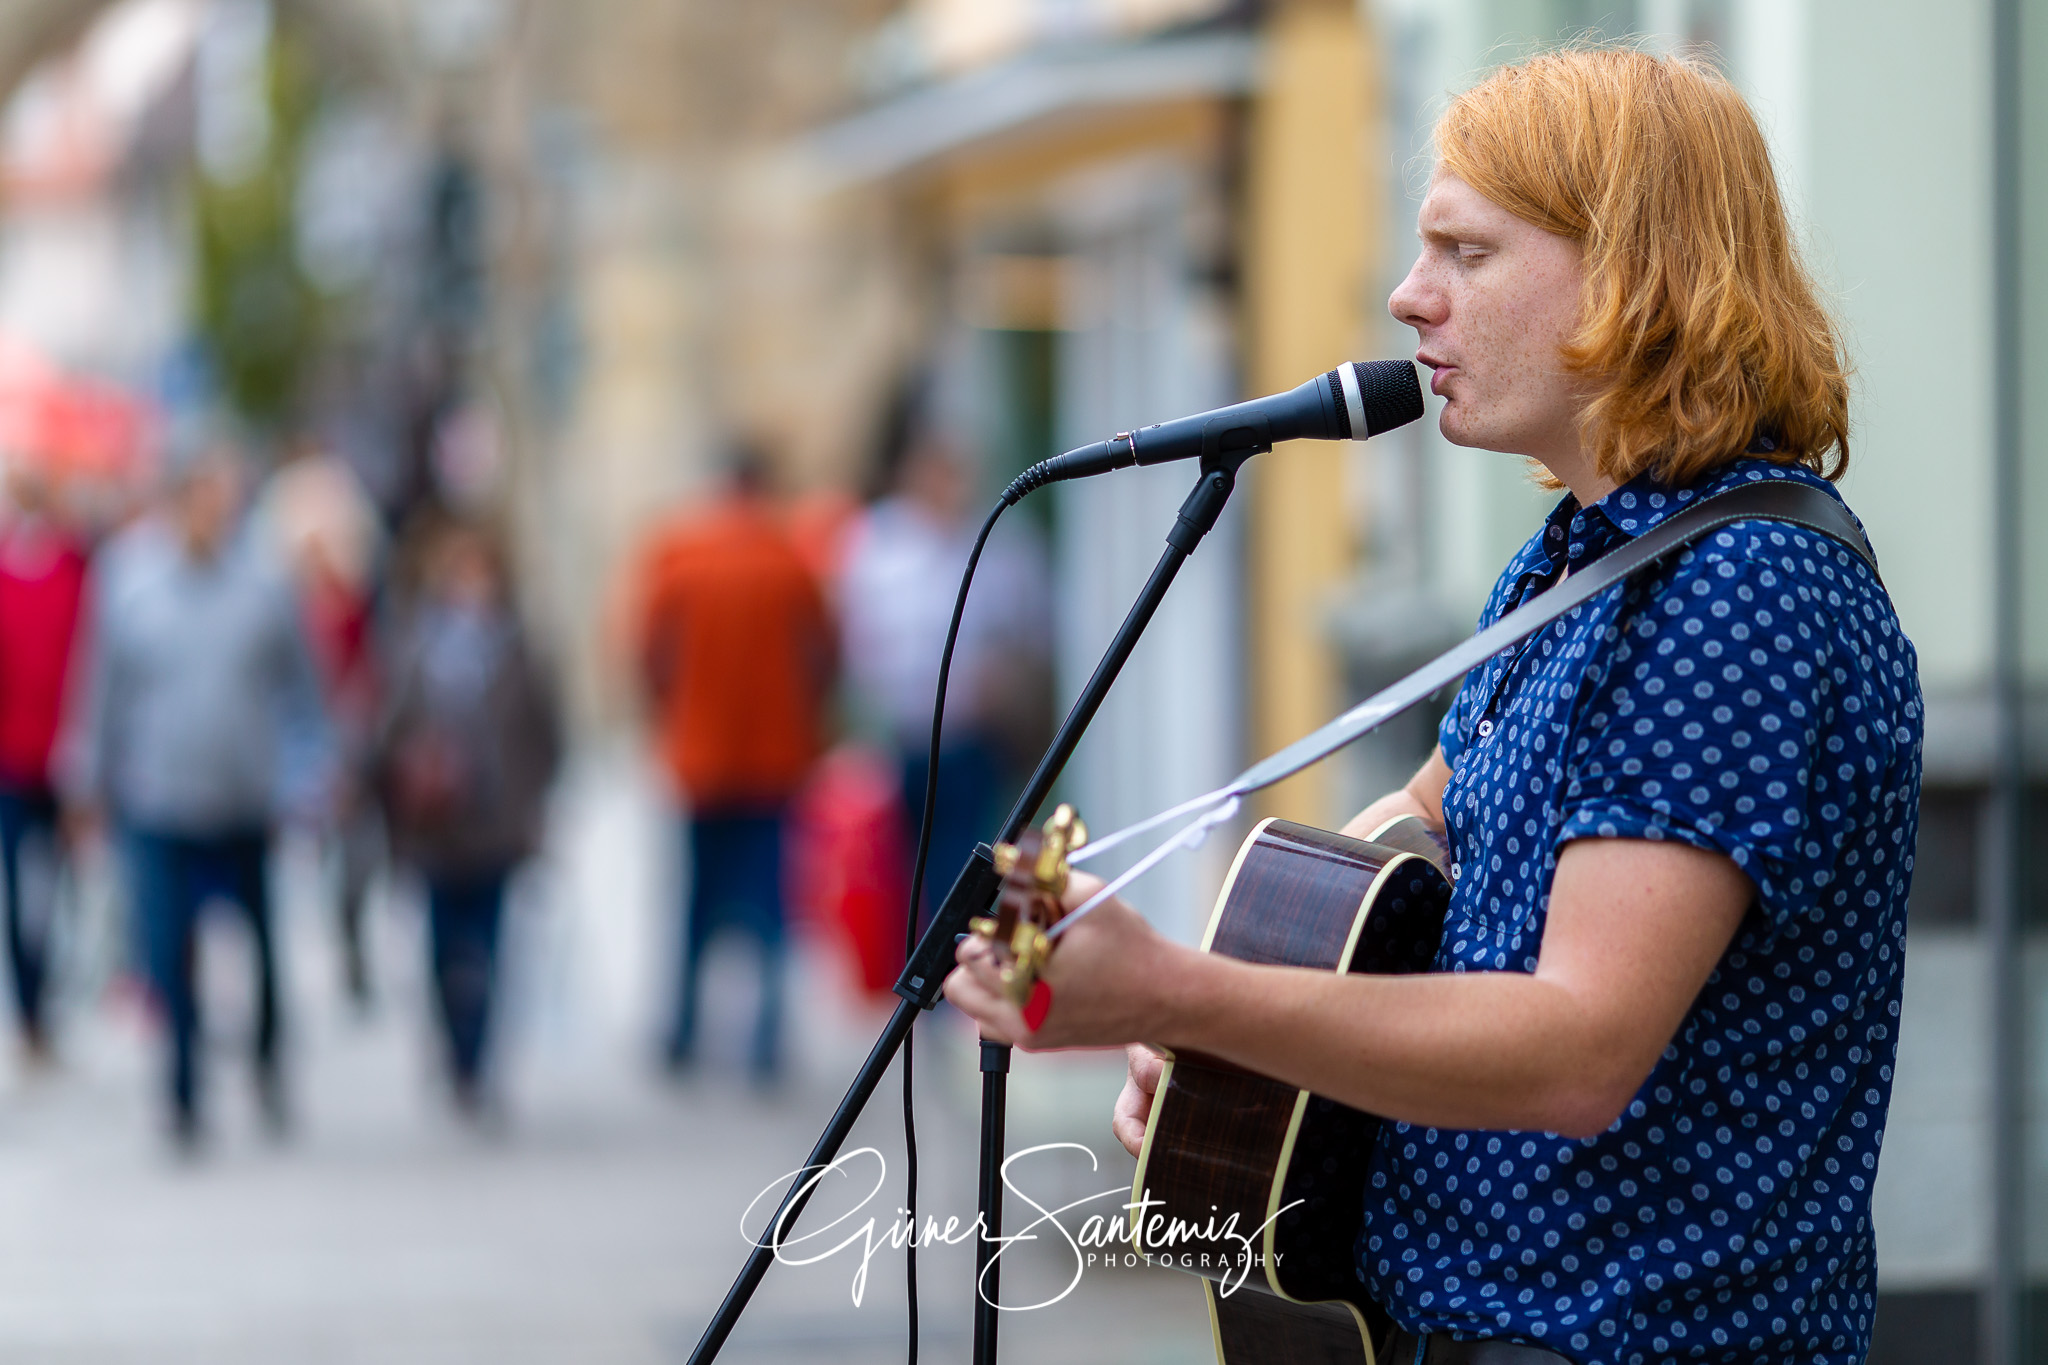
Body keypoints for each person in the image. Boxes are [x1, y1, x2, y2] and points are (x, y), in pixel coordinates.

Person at [946, 48, 1919, 1365]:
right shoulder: (1582, 556)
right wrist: (1232, 1029)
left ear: (1630, 271)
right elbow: (1422, 820)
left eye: (1465, 253)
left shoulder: (1740, 590)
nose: (1411, 299)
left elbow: (1577, 1044)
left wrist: (1183, 997)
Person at [82, 439, 331, 1146]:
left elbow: (303, 696)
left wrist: (309, 772)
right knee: (167, 948)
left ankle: (267, 1059)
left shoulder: (265, 585)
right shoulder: (128, 582)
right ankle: (183, 1089)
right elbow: (101, 688)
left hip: (247, 797)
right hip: (158, 796)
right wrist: (87, 775)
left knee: (261, 946)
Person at [628, 445, 833, 1084]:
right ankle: (764, 1041)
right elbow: (825, 654)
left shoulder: (680, 556)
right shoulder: (785, 560)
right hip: (774, 758)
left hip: (702, 758)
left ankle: (684, 1032)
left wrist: (672, 718)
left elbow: (645, 652)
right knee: (770, 905)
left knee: (693, 902)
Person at [839, 400, 1050, 927]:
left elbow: (1035, 623)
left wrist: (1006, 676)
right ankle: (924, 964)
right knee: (908, 863)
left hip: (973, 733)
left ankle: (957, 960)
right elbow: (859, 637)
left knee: (968, 857)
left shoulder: (997, 540)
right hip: (907, 733)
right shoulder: (879, 543)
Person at [373, 521, 557, 1117]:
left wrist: (535, 801)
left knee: (492, 943)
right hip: (435, 825)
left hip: (497, 823)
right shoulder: (414, 644)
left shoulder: (519, 646)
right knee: (439, 943)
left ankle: (479, 1059)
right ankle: (451, 1048)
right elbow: (384, 725)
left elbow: (548, 731)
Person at [262, 434, 384, 1006]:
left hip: (351, 730)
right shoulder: (282, 605)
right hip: (297, 739)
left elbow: (374, 665)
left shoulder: (357, 598)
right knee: (301, 852)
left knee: (356, 852)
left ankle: (351, 937)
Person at [0, 458, 90, 1062]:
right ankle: (29, 1009)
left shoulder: (76, 569)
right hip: (11, 758)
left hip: (68, 756)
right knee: (16, 887)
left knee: (62, 889)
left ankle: (53, 991)